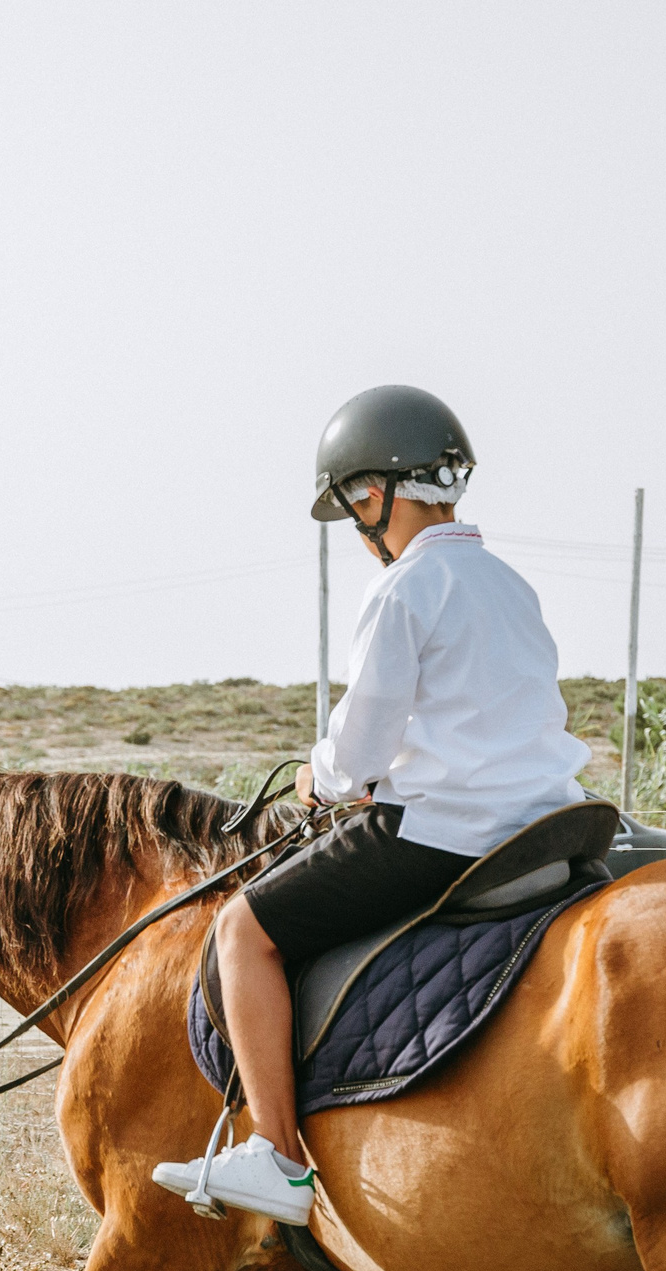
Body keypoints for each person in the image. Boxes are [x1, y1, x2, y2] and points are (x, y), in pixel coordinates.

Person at [154, 384, 591, 1225]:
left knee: (243, 929)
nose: (359, 524)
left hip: (445, 832)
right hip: (542, 823)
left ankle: (278, 1157)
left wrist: (319, 776)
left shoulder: (405, 589)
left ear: (377, 492)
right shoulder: (509, 585)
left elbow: (359, 751)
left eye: (356, 501)